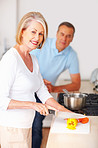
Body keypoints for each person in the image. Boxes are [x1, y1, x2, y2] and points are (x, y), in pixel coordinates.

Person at [0, 12, 70, 148]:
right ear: (22, 32)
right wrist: (33, 105)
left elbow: (41, 90)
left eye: (41, 34)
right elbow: (1, 100)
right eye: (33, 32)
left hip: (26, 126)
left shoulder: (33, 59)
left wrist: (61, 109)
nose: (37, 37)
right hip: (12, 129)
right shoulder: (11, 59)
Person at [30, 22, 81, 147]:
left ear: (72, 38)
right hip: (28, 86)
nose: (64, 38)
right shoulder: (42, 44)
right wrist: (40, 81)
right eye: (62, 34)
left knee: (37, 123)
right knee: (26, 124)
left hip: (43, 92)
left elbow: (76, 84)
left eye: (68, 36)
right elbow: (28, 66)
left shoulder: (71, 55)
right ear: (57, 33)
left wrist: (54, 88)